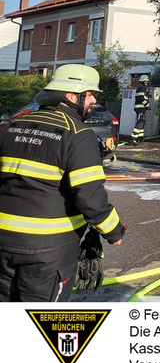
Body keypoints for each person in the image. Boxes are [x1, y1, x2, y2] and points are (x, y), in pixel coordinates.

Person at [0, 64, 125, 302]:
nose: (94, 100)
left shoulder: (10, 126)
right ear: (71, 95)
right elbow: (89, 195)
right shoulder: (78, 135)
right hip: (48, 251)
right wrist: (113, 231)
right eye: (90, 94)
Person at [130, 74, 151, 145]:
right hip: (140, 108)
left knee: (142, 122)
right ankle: (133, 138)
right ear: (142, 81)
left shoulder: (143, 88)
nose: (146, 83)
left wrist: (147, 92)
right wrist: (147, 104)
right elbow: (141, 98)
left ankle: (140, 137)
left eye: (147, 81)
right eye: (145, 81)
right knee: (140, 122)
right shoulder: (141, 88)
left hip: (142, 108)